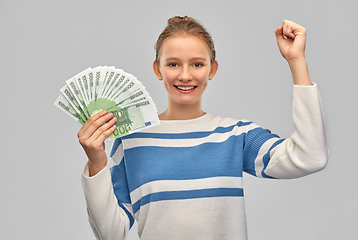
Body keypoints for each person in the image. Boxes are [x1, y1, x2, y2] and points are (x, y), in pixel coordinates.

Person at [78, 16, 328, 240]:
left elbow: (310, 157)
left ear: (212, 69)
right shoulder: (132, 142)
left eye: (197, 64)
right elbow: (111, 234)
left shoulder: (235, 136)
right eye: (173, 64)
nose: (185, 75)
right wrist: (96, 161)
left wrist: (297, 61)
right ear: (157, 69)